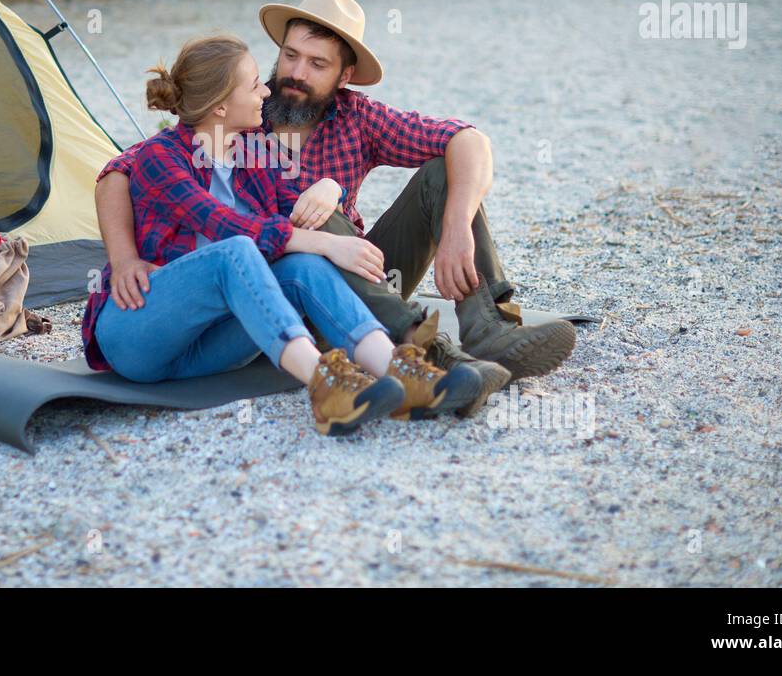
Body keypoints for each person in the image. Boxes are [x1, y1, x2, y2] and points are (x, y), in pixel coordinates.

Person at [95, 0, 577, 382]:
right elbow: (119, 171)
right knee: (316, 215)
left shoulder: (358, 118)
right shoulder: (239, 111)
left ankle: (489, 329)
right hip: (275, 290)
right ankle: (419, 348)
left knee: (440, 171)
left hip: (359, 284)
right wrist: (124, 259)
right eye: (289, 56)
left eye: (317, 64)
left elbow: (469, 140)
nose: (295, 75)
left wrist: (454, 230)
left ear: (345, 76)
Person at [81, 34, 510, 436]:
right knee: (238, 251)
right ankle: (325, 386)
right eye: (254, 86)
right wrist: (330, 244)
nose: (266, 92)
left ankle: (400, 371)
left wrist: (332, 188)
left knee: (300, 265)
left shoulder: (259, 153)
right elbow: (225, 225)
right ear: (219, 108)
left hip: (208, 346)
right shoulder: (162, 157)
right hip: (140, 335)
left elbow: (294, 205)